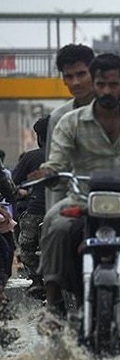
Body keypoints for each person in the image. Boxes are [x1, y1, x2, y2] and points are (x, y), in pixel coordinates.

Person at [34, 53, 120, 334]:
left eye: (113, 85)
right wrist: (48, 171)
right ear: (95, 84)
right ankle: (52, 306)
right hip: (81, 199)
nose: (106, 91)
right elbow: (57, 159)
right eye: (101, 84)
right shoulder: (69, 121)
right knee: (54, 225)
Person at [45, 44, 120, 211]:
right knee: (53, 224)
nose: (75, 82)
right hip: (79, 202)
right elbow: (55, 173)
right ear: (63, 80)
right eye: (69, 76)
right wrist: (52, 212)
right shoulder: (59, 118)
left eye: (81, 74)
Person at [12, 116, 48, 298]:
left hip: (37, 210)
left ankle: (36, 281)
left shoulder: (31, 156)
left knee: (26, 246)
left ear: (39, 137)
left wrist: (16, 192)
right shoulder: (73, 155)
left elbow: (13, 181)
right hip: (67, 209)